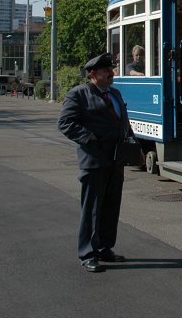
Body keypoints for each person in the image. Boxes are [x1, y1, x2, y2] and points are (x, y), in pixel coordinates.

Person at [58, 53, 135, 273]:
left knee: (111, 206)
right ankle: (88, 254)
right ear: (93, 74)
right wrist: (88, 137)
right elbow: (65, 123)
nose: (111, 74)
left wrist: (133, 144)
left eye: (111, 70)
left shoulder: (115, 93)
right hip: (94, 160)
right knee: (92, 208)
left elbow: (124, 122)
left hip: (116, 159)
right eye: (106, 71)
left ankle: (104, 247)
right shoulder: (79, 95)